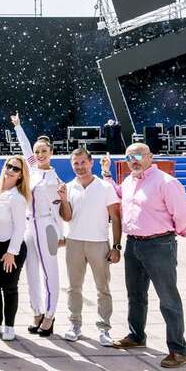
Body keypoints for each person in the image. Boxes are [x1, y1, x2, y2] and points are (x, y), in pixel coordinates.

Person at [104, 144, 186, 369]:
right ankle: (136, 336)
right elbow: (118, 195)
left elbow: (184, 213)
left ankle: (178, 350)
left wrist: (175, 232)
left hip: (159, 244)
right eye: (129, 157)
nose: (133, 160)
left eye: (137, 155)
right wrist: (106, 175)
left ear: (150, 157)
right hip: (133, 244)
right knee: (135, 294)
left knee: (168, 298)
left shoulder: (165, 182)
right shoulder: (129, 181)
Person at [61, 148, 122, 347]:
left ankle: (104, 328)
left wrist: (116, 246)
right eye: (75, 163)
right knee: (74, 287)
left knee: (102, 288)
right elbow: (67, 217)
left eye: (83, 162)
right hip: (74, 242)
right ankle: (75, 325)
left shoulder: (105, 187)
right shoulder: (68, 187)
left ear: (91, 163)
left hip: (98, 243)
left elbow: (115, 218)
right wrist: (63, 199)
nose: (79, 167)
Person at [11, 113, 65, 337]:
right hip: (28, 227)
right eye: (37, 151)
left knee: (49, 272)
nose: (40, 154)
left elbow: (58, 211)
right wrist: (18, 126)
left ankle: (50, 315)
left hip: (47, 227)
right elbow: (25, 148)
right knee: (31, 271)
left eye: (44, 151)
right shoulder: (32, 170)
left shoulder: (55, 181)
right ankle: (37, 312)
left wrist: (61, 234)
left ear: (51, 153)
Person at [0, 154, 29, 341]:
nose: (10, 170)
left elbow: (20, 228)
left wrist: (11, 253)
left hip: (11, 248)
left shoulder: (17, 198)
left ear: (21, 175)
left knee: (9, 288)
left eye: (16, 169)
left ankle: (9, 326)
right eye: (9, 166)